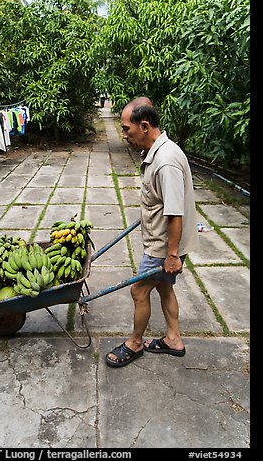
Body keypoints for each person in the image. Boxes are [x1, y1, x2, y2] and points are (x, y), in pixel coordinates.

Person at [106, 97, 198, 367]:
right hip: (165, 242)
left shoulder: (166, 161)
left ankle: (135, 343)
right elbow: (162, 201)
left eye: (126, 129)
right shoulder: (160, 151)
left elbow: (174, 213)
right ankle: (173, 339)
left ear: (144, 126)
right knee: (164, 288)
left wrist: (172, 255)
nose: (124, 135)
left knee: (139, 291)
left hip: (163, 246)